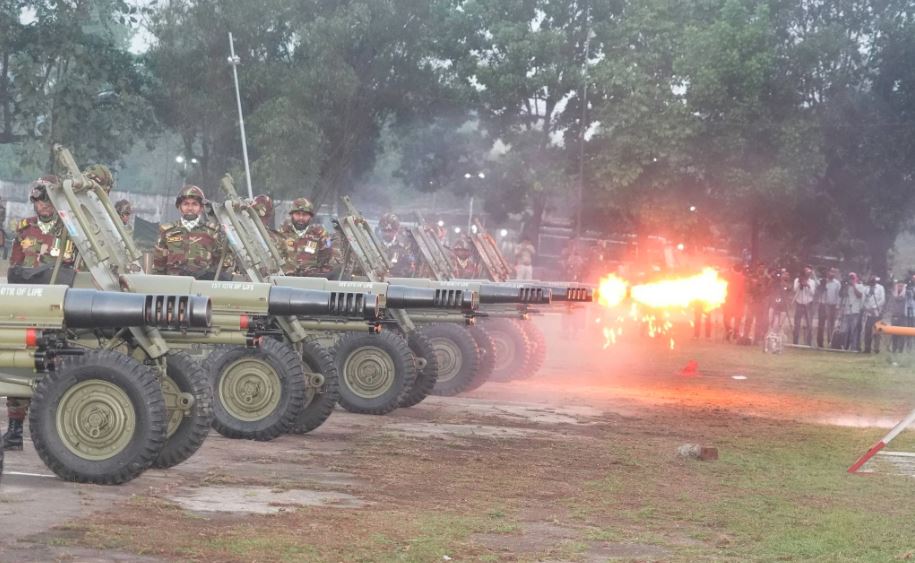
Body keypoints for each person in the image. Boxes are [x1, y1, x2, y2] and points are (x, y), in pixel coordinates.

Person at [3, 176, 79, 451]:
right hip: (28, 306)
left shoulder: (70, 229)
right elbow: (15, 267)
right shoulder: (25, 228)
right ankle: (14, 430)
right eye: (38, 200)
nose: (43, 205)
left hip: (57, 308)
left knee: (56, 365)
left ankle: (57, 433)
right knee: (20, 364)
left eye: (47, 200)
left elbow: (78, 269)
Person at [152, 185, 231, 279]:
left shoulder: (213, 231)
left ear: (201, 208)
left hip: (203, 283)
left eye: (194, 204)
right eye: (186, 204)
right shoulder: (166, 231)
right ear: (179, 207)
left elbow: (222, 263)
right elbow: (159, 264)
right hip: (173, 283)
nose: (190, 208)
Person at [282, 197, 339, 277]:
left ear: (311, 217)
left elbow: (329, 258)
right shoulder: (281, 233)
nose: (301, 218)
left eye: (305, 215)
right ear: (292, 215)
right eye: (297, 214)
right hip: (284, 279)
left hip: (312, 279)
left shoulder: (320, 235)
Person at [376, 212, 416, 277]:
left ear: (396, 230)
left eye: (389, 231)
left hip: (397, 280)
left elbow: (410, 268)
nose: (386, 234)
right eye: (384, 230)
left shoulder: (405, 246)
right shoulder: (374, 244)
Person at [815, 267, 842, 348]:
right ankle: (820, 342)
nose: (832, 274)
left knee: (831, 324)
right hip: (823, 304)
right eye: (831, 272)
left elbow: (838, 296)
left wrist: (837, 306)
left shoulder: (837, 283)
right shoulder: (822, 281)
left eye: (834, 272)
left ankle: (830, 341)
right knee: (821, 324)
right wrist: (822, 286)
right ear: (828, 272)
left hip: (832, 306)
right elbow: (817, 293)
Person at [841, 272, 866, 351]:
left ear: (856, 278)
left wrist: (854, 285)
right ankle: (845, 346)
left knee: (854, 330)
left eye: (853, 278)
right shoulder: (847, 287)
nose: (851, 280)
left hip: (855, 311)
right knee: (846, 330)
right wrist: (845, 286)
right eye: (850, 278)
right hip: (847, 310)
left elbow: (859, 295)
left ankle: (854, 347)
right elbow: (843, 295)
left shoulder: (860, 286)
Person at [792, 266, 816, 345]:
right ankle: (795, 342)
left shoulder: (812, 282)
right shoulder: (797, 280)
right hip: (799, 303)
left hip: (808, 304)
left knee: (809, 324)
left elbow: (813, 293)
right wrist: (800, 283)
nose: (808, 273)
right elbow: (795, 290)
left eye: (809, 272)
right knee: (797, 324)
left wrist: (808, 285)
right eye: (806, 271)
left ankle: (808, 343)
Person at [862, 275, 886, 354]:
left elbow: (882, 300)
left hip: (877, 313)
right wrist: (867, 308)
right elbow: (863, 300)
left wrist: (874, 307)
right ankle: (867, 348)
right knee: (867, 331)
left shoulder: (880, 288)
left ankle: (876, 348)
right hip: (868, 313)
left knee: (877, 331)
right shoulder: (866, 288)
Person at [723, 263, 745, 342]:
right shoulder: (743, 278)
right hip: (739, 301)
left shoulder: (729, 277)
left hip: (729, 300)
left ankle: (729, 330)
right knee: (737, 318)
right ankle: (735, 333)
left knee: (727, 317)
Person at [888, 280, 908, 353]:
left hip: (903, 317)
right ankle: (894, 349)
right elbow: (895, 299)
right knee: (894, 334)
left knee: (902, 334)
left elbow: (900, 298)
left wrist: (904, 289)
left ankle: (900, 350)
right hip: (894, 316)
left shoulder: (905, 294)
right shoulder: (894, 294)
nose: (900, 287)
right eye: (899, 286)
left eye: (901, 286)